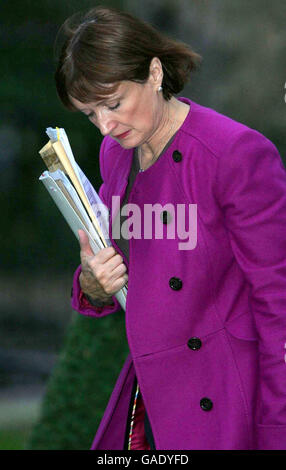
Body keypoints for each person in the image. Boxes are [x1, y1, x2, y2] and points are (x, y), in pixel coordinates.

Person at [55, 6, 286, 450]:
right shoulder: (116, 155)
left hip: (224, 406)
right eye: (89, 113)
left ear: (155, 73)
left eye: (113, 103)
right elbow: (119, 272)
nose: (105, 125)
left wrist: (276, 432)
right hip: (150, 400)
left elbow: (280, 304)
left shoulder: (236, 154)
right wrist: (94, 282)